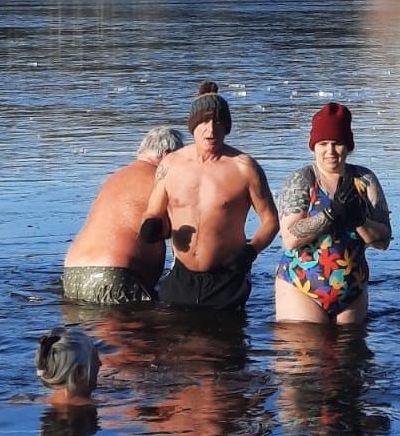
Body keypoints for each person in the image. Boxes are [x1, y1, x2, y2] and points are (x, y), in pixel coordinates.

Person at [140, 81, 279, 312]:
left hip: (227, 278)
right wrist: (152, 225)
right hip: (181, 277)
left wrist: (250, 251)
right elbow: (154, 211)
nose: (211, 129)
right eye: (204, 122)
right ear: (193, 126)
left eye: (218, 122)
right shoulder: (170, 165)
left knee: (225, 345)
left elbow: (271, 221)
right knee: (173, 342)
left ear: (226, 126)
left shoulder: (244, 168)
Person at [274, 102, 393, 324]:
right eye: (323, 144)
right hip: (301, 287)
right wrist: (330, 214)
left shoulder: (365, 180)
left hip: (352, 289)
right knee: (308, 350)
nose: (330, 151)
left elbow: (383, 240)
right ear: (314, 146)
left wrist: (359, 220)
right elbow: (290, 239)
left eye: (337, 143)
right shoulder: (302, 180)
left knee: (352, 354)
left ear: (348, 146)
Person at [63, 126, 184, 304]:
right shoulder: (161, 181)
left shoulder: (114, 179)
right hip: (115, 277)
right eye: (180, 159)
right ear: (167, 155)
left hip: (73, 275)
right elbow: (182, 238)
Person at [36, 326, 101, 406]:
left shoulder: (27, 399)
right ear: (79, 373)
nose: (100, 364)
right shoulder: (112, 407)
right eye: (95, 358)